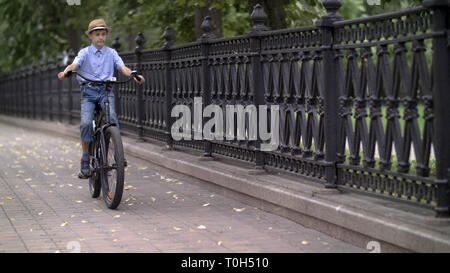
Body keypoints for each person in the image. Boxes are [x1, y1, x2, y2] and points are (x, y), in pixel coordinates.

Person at [58, 19, 145, 179]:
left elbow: (122, 67)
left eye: (103, 34)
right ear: (91, 36)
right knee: (85, 123)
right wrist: (66, 72)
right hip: (89, 92)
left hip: (105, 91)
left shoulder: (111, 53)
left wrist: (133, 75)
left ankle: (118, 153)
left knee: (111, 117)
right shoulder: (84, 52)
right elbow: (74, 65)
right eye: (97, 34)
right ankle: (85, 158)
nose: (101, 37)